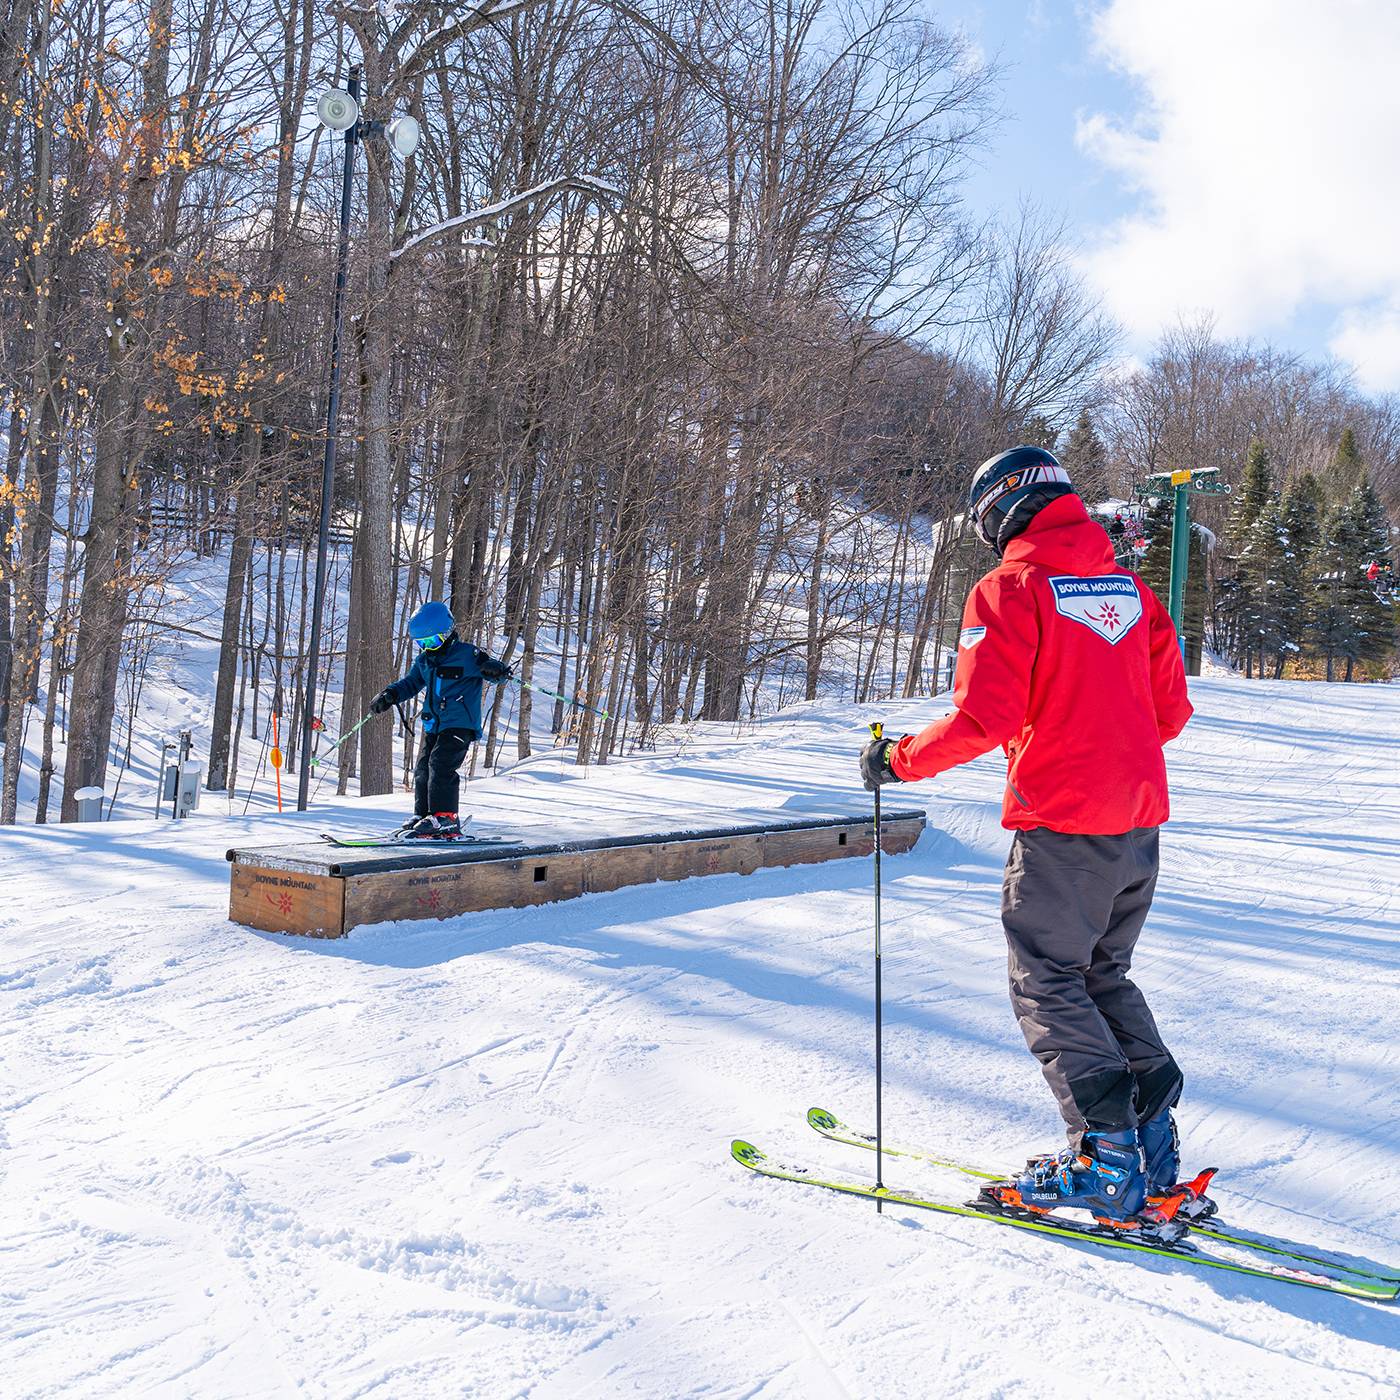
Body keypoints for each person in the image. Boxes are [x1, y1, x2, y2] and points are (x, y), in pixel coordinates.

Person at [860, 446, 1195, 1233]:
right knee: (1102, 977)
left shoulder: (1012, 588)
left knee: (1047, 981)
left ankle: (1106, 1164)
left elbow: (986, 719)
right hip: (1136, 823)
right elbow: (1169, 714)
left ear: (1002, 510)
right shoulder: (1130, 589)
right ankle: (1150, 1148)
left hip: (1064, 825)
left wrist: (897, 761)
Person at [370, 600, 513, 839]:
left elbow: (493, 670)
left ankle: (445, 817)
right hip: (434, 724)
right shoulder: (425, 661)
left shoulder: (468, 654)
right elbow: (411, 683)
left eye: (433, 641)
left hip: (460, 723)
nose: (429, 647)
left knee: (441, 764)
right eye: (423, 643)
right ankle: (424, 816)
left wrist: (496, 670)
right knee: (424, 768)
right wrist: (390, 695)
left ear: (447, 634)